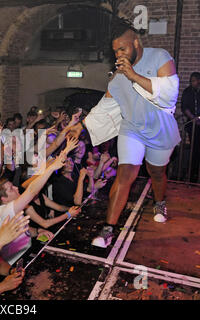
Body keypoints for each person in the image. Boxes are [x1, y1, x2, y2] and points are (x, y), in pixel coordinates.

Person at [68, 19, 181, 247]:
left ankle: (159, 202)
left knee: (156, 172)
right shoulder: (118, 75)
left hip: (160, 129)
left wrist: (134, 76)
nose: (119, 53)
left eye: (123, 48)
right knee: (125, 174)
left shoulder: (160, 57)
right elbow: (107, 104)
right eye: (115, 50)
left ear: (136, 43)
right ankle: (108, 229)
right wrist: (82, 125)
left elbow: (169, 93)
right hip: (132, 129)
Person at [0, 137, 78, 265]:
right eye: (10, 188)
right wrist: (52, 168)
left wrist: (38, 231)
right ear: (3, 199)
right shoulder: (4, 210)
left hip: (27, 253)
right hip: (13, 264)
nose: (15, 187)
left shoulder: (15, 207)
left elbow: (24, 230)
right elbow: (32, 190)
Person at [181, 72, 200, 183]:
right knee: (194, 149)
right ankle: (192, 175)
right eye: (191, 80)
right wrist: (193, 118)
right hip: (192, 125)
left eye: (194, 80)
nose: (192, 82)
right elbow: (184, 107)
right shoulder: (187, 92)